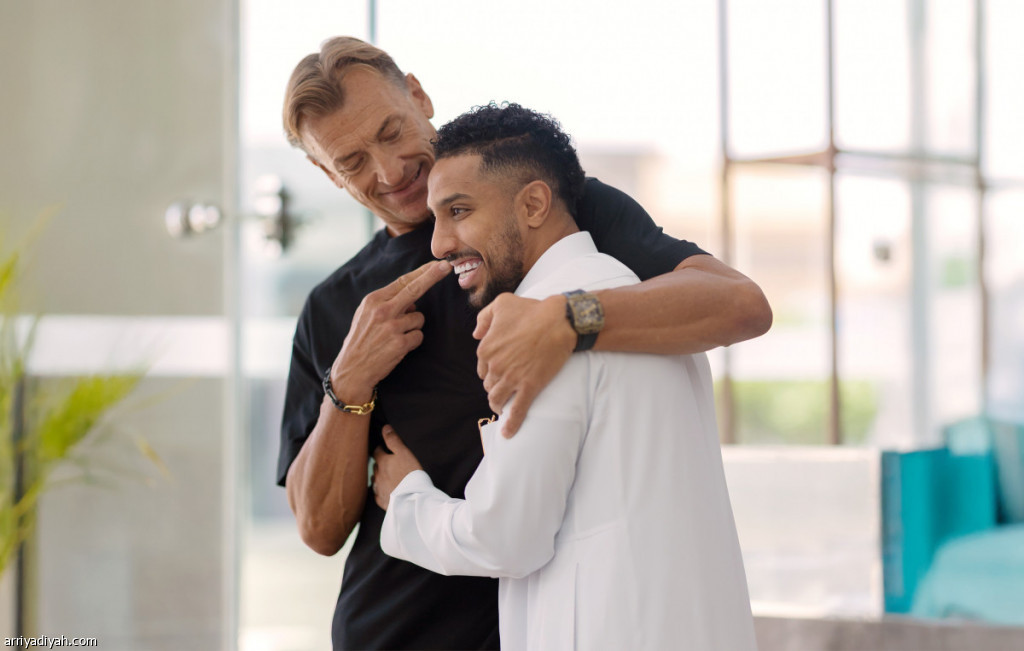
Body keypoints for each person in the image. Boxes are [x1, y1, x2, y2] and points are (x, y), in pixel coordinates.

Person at [277, 36, 770, 650]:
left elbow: (741, 305)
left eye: (390, 131)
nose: (389, 170)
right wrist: (348, 381)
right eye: (352, 161)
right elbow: (319, 529)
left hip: (550, 613)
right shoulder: (334, 307)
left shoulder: (549, 206)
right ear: (327, 173)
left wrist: (566, 319)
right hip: (394, 629)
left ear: (419, 96)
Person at [373, 102, 757, 651]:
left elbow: (504, 538)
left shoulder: (545, 328)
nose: (439, 244)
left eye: (459, 210)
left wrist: (407, 500)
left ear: (533, 204)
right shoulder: (640, 303)